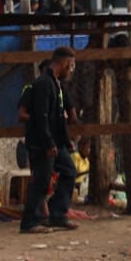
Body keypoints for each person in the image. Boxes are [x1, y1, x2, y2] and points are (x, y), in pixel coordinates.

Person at [20, 46, 79, 234]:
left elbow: (59, 117)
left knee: (69, 171)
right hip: (42, 142)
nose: (71, 69)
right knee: (41, 180)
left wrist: (65, 140)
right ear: (62, 63)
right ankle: (30, 221)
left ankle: (57, 215)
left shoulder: (57, 84)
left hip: (55, 141)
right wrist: (48, 143)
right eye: (71, 65)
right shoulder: (43, 84)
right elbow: (41, 116)